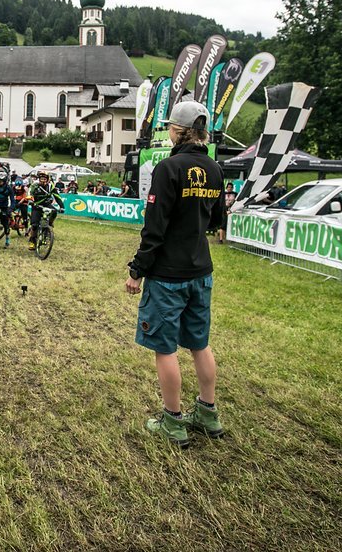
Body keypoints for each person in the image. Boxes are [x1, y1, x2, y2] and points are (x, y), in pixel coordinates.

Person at [125, 100, 225, 446]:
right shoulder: (214, 168)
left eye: (169, 127)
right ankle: (208, 414)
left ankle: (173, 420)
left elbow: (155, 228)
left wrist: (137, 270)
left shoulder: (168, 168)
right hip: (201, 269)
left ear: (178, 131)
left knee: (165, 348)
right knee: (199, 344)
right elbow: (215, 220)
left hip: (168, 275)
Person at [25, 171, 64, 250]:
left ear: (47, 179)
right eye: (41, 178)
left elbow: (57, 196)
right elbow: (30, 193)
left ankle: (49, 223)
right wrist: (30, 201)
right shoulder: (34, 185)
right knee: (35, 225)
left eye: (44, 179)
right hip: (36, 205)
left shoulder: (51, 186)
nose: (43, 180)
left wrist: (62, 206)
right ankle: (32, 241)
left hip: (46, 204)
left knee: (54, 211)